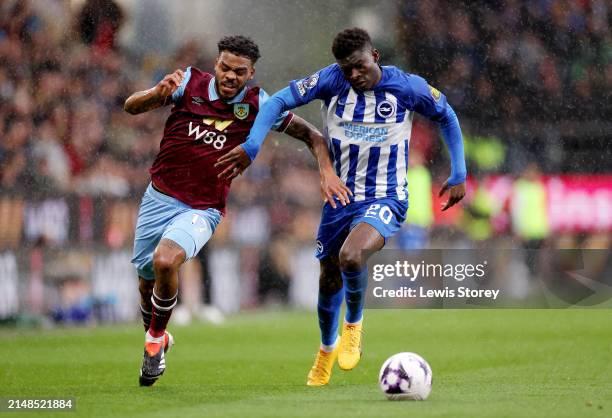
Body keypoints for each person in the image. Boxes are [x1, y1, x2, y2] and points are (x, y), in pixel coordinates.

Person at [217, 28, 467, 386]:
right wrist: (253, 145)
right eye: (346, 68)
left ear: (375, 57)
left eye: (359, 66)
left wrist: (459, 171)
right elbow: (274, 103)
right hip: (340, 201)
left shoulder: (407, 87)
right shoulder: (330, 80)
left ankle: (354, 327)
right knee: (328, 276)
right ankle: (325, 350)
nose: (353, 75)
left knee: (351, 256)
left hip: (386, 196)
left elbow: (447, 115)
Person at [123, 35, 350, 387]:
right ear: (216, 64)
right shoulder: (186, 82)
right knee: (145, 283)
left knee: (166, 261)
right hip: (158, 197)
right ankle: (158, 335)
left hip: (202, 207)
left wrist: (326, 171)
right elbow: (131, 106)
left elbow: (314, 137)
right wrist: (155, 94)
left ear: (251, 73)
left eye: (238, 72)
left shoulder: (261, 104)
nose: (229, 76)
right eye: (225, 68)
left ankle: (153, 342)